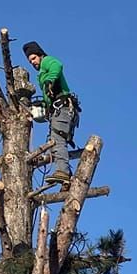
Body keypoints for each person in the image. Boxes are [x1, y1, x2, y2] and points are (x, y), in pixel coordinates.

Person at [22, 40, 80, 186]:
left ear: (40, 55)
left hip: (63, 108)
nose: (33, 62)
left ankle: (63, 172)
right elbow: (50, 96)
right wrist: (43, 104)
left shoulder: (47, 61)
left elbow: (57, 65)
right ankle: (67, 180)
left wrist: (49, 80)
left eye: (33, 58)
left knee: (57, 139)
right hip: (58, 110)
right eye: (30, 61)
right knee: (55, 141)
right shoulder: (41, 73)